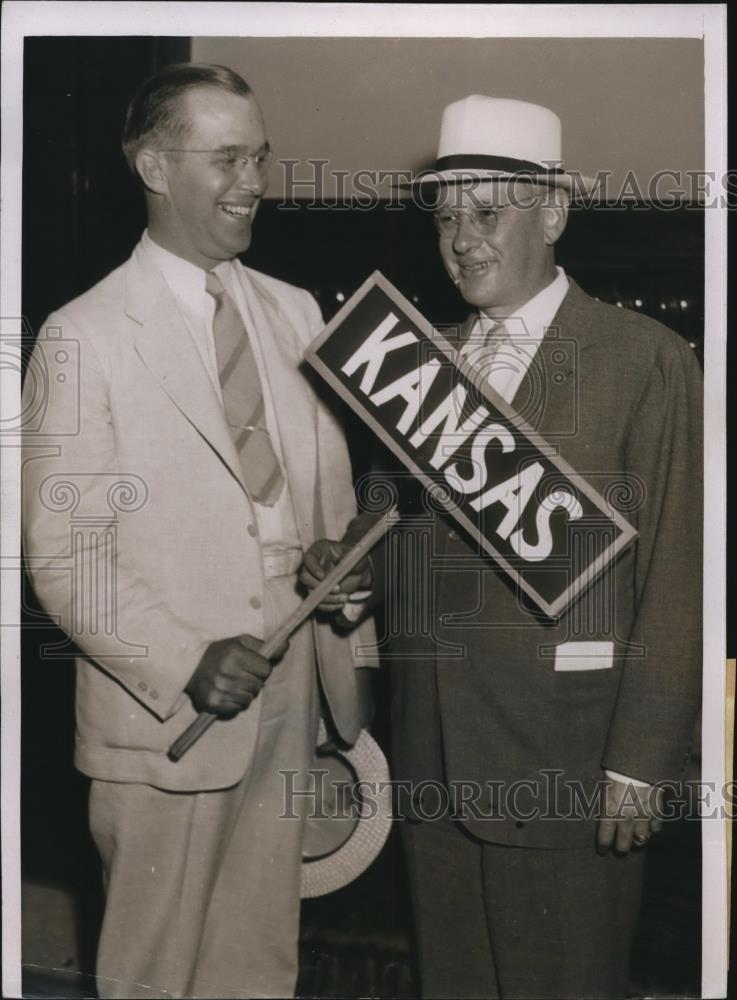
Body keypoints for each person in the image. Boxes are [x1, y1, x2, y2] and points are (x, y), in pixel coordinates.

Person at [300, 95, 703, 999]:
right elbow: (397, 536)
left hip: (567, 759)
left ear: (553, 213)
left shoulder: (643, 358)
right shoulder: (418, 362)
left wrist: (639, 764)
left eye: (488, 213)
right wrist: (353, 574)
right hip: (434, 750)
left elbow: (679, 575)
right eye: (446, 216)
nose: (462, 240)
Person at [22, 62, 375, 1000]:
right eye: (225, 158)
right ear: (151, 165)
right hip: (171, 716)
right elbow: (64, 559)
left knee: (258, 968)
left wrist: (334, 575)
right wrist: (183, 662)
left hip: (293, 700)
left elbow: (325, 513)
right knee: (155, 973)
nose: (253, 180)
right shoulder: (79, 336)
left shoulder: (296, 312)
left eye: (258, 155)